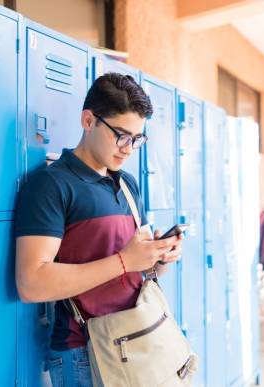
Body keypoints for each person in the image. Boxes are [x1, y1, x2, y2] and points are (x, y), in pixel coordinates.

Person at [14, 73, 183, 386]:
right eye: (121, 135)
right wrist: (124, 261)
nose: (129, 148)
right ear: (88, 120)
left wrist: (159, 258)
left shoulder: (129, 185)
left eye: (137, 138)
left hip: (139, 338)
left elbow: (141, 269)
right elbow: (31, 283)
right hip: (85, 351)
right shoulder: (51, 185)